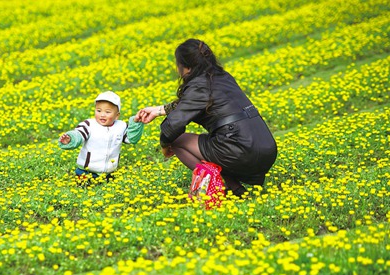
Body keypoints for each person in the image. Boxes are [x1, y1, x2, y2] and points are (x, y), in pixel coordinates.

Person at [136, 39, 277, 197]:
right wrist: (159, 110)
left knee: (177, 141)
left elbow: (172, 126)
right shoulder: (223, 77)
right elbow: (191, 102)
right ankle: (236, 189)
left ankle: (222, 185)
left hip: (241, 151)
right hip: (267, 149)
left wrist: (165, 144)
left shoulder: (198, 85)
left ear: (185, 67)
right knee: (211, 140)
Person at [59, 91, 145, 182]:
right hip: (86, 171)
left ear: (117, 116)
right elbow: (79, 134)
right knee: (84, 187)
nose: (102, 114)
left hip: (109, 172)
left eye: (108, 112)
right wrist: (70, 139)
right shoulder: (89, 125)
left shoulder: (121, 126)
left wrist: (136, 123)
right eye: (98, 110)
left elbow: (131, 138)